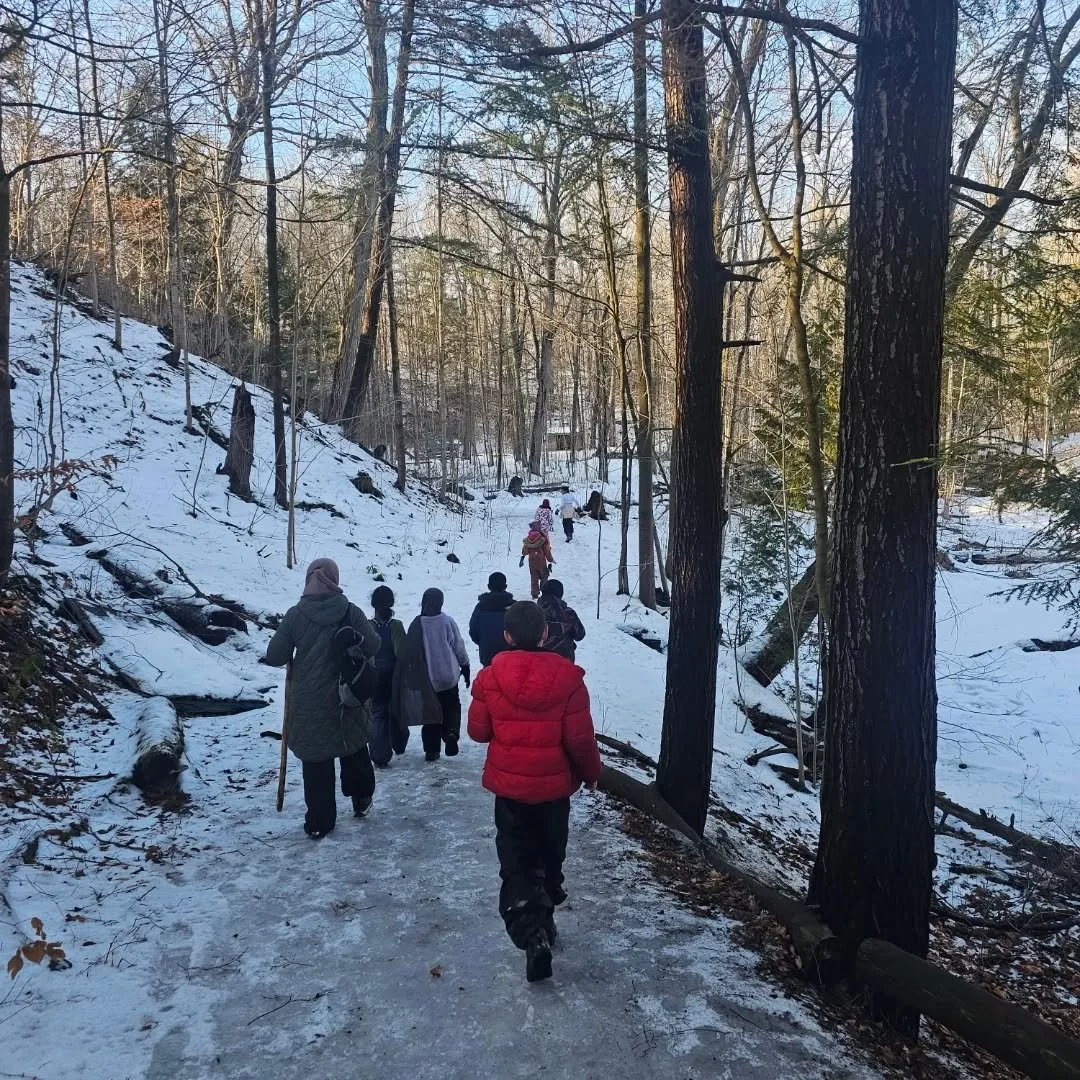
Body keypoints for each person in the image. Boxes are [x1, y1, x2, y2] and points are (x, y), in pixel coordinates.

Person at [467, 601, 602, 983]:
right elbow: (580, 740)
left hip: (510, 791)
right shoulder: (569, 679)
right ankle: (544, 922)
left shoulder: (491, 677)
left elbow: (478, 732)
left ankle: (533, 933)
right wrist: (592, 774)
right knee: (549, 855)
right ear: (545, 634)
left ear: (507, 636)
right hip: (554, 791)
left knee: (516, 861)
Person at [264, 558, 380, 839]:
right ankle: (361, 798)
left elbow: (275, 656)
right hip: (347, 694)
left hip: (309, 700)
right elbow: (375, 644)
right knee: (353, 746)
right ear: (334, 579)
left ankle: (319, 821)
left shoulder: (295, 615)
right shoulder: (350, 611)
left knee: (316, 761)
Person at [393, 588, 470, 762]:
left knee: (430, 714)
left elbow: (409, 651)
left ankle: (431, 750)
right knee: (451, 707)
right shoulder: (447, 622)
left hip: (428, 680)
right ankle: (451, 733)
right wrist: (465, 665)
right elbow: (458, 646)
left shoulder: (417, 624)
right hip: (449, 676)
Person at [369, 585, 407, 768]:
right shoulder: (396, 626)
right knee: (397, 711)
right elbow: (402, 653)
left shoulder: (368, 627)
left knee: (377, 715)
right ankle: (399, 743)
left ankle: (379, 754)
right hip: (395, 677)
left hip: (375, 678)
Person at [469, 572, 516, 667]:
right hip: (512, 655)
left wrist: (484, 642)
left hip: (488, 655)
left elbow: (473, 631)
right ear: (505, 586)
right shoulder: (514, 607)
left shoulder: (480, 607)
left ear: (489, 586)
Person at [537, 579, 586, 663]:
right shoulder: (568, 613)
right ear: (560, 594)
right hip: (565, 662)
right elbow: (580, 635)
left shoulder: (533, 614)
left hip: (539, 662)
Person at [520, 521, 554, 599]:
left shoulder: (528, 540)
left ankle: (534, 594)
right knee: (544, 575)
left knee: (534, 577)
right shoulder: (543, 539)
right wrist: (550, 559)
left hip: (532, 561)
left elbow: (524, 552)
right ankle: (544, 590)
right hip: (541, 560)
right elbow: (547, 551)